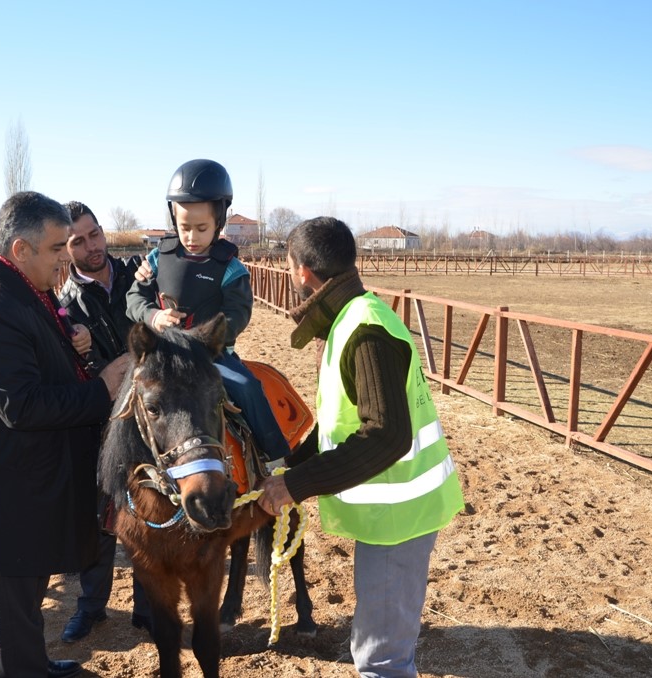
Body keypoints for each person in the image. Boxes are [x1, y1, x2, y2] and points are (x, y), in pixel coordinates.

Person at [257, 216, 465, 678]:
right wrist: (289, 468)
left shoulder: (364, 330)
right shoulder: (353, 318)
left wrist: (297, 484)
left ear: (302, 271)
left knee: (381, 661)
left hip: (399, 518)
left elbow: (386, 435)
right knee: (379, 650)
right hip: (392, 515)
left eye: (288, 266)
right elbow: (342, 424)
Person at [0, 191, 130, 678]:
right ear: (21, 249)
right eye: (55, 249)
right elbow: (22, 405)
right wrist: (102, 388)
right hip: (1, 496)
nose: (63, 259)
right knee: (13, 606)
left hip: (25, 485)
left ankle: (35, 664)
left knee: (27, 598)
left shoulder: (21, 287)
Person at [126, 158, 290, 462]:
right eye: (185, 228)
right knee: (126, 394)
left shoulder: (230, 268)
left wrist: (206, 338)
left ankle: (275, 455)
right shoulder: (158, 258)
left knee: (247, 386)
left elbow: (238, 314)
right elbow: (135, 298)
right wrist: (154, 316)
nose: (191, 237)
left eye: (201, 228)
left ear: (219, 222)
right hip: (163, 352)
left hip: (212, 356)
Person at [56, 201, 152, 642]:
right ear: (66, 248)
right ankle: (92, 606)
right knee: (100, 518)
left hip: (151, 418)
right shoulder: (63, 305)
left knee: (150, 512)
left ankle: (148, 607)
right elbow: (65, 375)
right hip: (102, 423)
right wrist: (86, 357)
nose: (91, 246)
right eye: (78, 241)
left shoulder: (139, 275)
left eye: (94, 234)